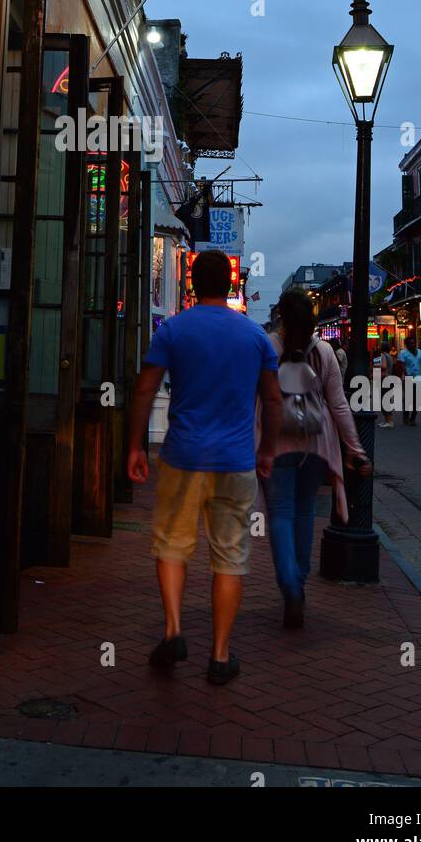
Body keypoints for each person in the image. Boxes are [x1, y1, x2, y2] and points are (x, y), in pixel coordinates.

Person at [126, 249, 283, 686]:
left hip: (183, 455)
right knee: (230, 558)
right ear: (231, 284)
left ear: (192, 284)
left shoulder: (174, 329)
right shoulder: (254, 337)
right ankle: (219, 655)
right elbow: (272, 400)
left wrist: (135, 446)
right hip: (235, 461)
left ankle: (174, 630)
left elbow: (145, 390)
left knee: (172, 545)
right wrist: (267, 450)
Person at [259, 290, 371, 628]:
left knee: (279, 514)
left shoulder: (268, 348)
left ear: (280, 314)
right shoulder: (323, 352)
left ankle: (290, 584)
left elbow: (254, 397)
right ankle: (300, 581)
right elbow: (338, 406)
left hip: (276, 442)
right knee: (305, 512)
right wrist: (355, 448)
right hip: (316, 444)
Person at [397, 332, 421, 425]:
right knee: (409, 399)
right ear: (407, 344)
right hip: (408, 378)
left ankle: (413, 418)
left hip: (418, 378)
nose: (413, 344)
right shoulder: (403, 353)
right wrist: (406, 374)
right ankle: (406, 417)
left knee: (417, 399)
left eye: (414, 343)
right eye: (411, 343)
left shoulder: (420, 352)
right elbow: (401, 365)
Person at [374, 341, 395, 429]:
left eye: (379, 346)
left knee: (384, 399)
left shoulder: (382, 355)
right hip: (389, 378)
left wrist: (375, 365)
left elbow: (384, 366)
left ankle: (389, 421)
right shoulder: (389, 356)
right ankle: (387, 421)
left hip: (384, 379)